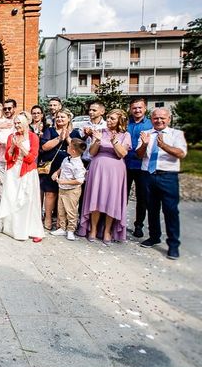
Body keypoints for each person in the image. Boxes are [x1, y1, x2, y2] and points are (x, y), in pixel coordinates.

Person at [136, 108, 187, 260]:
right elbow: (139, 155)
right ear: (151, 119)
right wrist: (144, 144)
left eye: (162, 118)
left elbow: (181, 154)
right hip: (148, 175)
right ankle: (154, 237)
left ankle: (173, 245)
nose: (159, 120)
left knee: (170, 210)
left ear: (169, 119)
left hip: (167, 176)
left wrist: (163, 146)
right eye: (156, 118)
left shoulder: (176, 134)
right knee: (151, 208)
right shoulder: (146, 134)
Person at [78, 109, 131, 245]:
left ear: (120, 120)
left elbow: (122, 154)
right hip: (98, 168)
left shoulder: (125, 135)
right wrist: (96, 141)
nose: (109, 120)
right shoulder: (100, 132)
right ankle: (93, 229)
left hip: (116, 170)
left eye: (112, 118)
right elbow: (92, 153)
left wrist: (115, 142)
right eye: (108, 117)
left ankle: (108, 230)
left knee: (111, 200)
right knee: (96, 198)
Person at [0, 112, 44, 242]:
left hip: (27, 172)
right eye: (15, 123)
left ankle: (33, 230)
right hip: (13, 172)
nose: (17, 125)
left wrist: (21, 147)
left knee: (26, 201)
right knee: (12, 199)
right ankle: (13, 229)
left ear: (26, 123)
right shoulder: (11, 137)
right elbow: (7, 158)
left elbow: (31, 158)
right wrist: (13, 146)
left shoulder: (33, 137)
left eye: (19, 123)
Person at [39, 109, 81, 231]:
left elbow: (77, 151)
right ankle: (47, 218)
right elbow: (45, 147)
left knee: (64, 195)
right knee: (50, 193)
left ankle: (60, 221)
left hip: (68, 167)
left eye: (62, 117)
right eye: (57, 117)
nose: (59, 119)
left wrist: (67, 137)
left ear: (69, 118)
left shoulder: (75, 132)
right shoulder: (50, 131)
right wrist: (59, 138)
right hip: (51, 165)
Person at [125, 98, 153, 238]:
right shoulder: (125, 123)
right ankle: (120, 222)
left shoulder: (150, 124)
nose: (137, 110)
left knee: (142, 197)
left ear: (145, 108)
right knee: (122, 196)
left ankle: (138, 225)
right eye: (134, 108)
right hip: (125, 164)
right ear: (130, 109)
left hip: (142, 166)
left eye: (139, 108)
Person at [50, 138, 87, 241]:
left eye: (69, 146)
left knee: (71, 210)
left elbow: (79, 180)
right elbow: (62, 168)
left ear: (73, 151)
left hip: (72, 191)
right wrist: (56, 173)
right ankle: (62, 227)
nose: (67, 146)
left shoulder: (78, 165)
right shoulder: (67, 159)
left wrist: (64, 182)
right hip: (62, 189)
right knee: (61, 209)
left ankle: (71, 230)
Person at [79, 101, 107, 165]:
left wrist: (95, 135)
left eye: (94, 110)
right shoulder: (83, 125)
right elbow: (79, 143)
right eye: (90, 110)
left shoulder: (106, 126)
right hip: (84, 159)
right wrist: (86, 136)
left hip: (100, 160)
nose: (91, 112)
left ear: (102, 112)